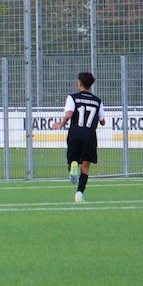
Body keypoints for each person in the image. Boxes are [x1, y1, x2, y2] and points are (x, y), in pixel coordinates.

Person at [54, 72, 105, 203]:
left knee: (73, 159)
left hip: (75, 133)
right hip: (89, 135)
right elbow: (103, 121)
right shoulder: (97, 101)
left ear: (80, 83)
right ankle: (79, 193)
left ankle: (73, 164)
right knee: (85, 167)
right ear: (90, 85)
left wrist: (60, 124)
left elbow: (69, 114)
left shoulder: (72, 98)